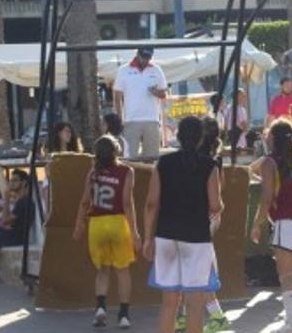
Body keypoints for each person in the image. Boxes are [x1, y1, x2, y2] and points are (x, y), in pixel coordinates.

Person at [144, 116, 223, 333]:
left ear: (177, 136)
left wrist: (148, 238)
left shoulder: (163, 163)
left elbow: (151, 204)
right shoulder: (210, 166)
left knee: (169, 303)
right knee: (194, 304)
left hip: (166, 235)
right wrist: (218, 209)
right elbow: (215, 206)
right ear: (201, 139)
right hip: (197, 237)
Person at [251, 119, 292, 332]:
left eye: (268, 134)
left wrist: (256, 224)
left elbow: (267, 198)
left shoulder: (270, 162)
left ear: (272, 138)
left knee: (285, 274)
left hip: (286, 220)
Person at [73, 136, 140, 329]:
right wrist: (134, 232)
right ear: (116, 151)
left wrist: (79, 225)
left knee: (102, 269)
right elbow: (127, 203)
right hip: (118, 222)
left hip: (97, 224)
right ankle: (124, 314)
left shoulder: (93, 172)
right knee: (122, 270)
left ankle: (101, 307)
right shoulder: (127, 171)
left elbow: (85, 201)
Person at [113, 46, 168, 159]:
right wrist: (120, 118)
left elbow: (163, 94)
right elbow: (117, 96)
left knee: (151, 158)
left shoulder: (156, 70)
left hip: (152, 119)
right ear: (137, 54)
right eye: (143, 57)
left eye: (148, 57)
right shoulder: (124, 70)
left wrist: (155, 92)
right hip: (131, 120)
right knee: (129, 158)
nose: (146, 60)